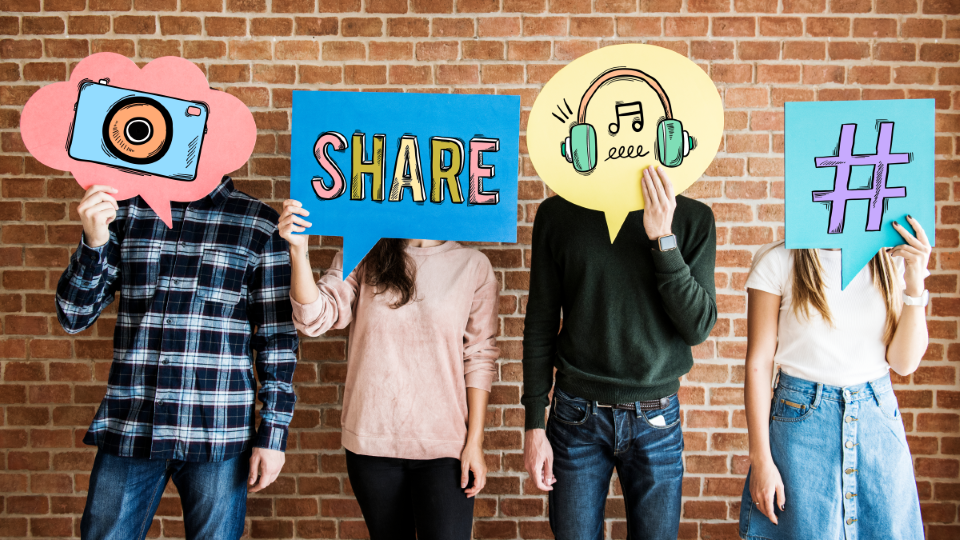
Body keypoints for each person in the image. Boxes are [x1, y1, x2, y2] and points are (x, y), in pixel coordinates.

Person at [58, 179, 298, 540]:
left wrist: (273, 435)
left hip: (218, 432)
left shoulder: (259, 223)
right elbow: (73, 315)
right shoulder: (126, 211)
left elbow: (276, 340)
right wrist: (94, 243)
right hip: (132, 423)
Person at [278, 199, 499, 540]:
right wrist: (298, 251)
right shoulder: (365, 252)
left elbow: (479, 357)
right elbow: (313, 318)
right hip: (372, 443)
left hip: (444, 446)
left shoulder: (473, 266)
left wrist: (475, 443)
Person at [522, 166, 718, 540]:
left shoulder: (693, 218)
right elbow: (540, 324)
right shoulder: (557, 215)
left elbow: (697, 327)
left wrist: (663, 239)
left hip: (656, 419)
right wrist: (534, 422)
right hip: (575, 417)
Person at [739, 216, 931, 540]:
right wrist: (761, 460)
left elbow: (904, 363)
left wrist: (914, 285)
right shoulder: (778, 260)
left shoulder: (887, 261)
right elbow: (758, 362)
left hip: (877, 420)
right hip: (801, 424)